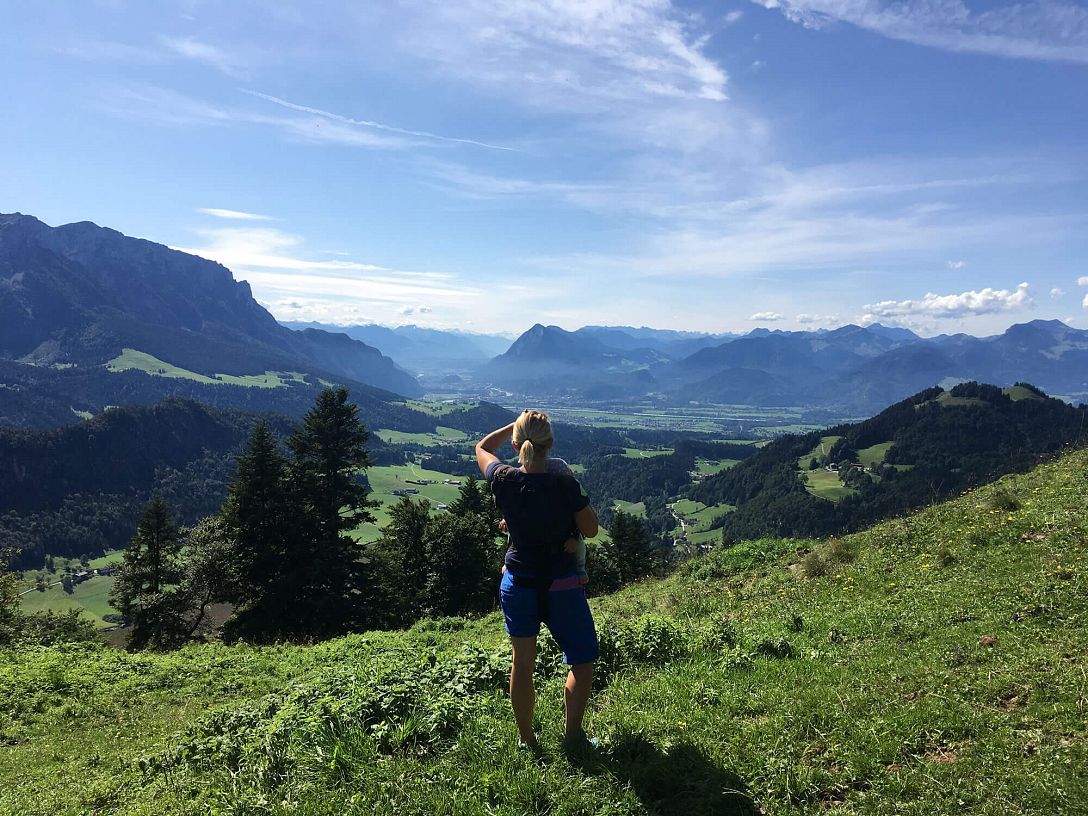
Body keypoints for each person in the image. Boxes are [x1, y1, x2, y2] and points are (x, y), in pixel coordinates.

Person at [476, 410, 600, 751]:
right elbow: (591, 529)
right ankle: (573, 737)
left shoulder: (503, 479)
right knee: (582, 660)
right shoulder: (564, 483)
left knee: (523, 665)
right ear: (550, 444)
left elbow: (482, 447)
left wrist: (513, 426)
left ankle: (527, 741)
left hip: (518, 583)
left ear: (517, 444)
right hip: (561, 584)